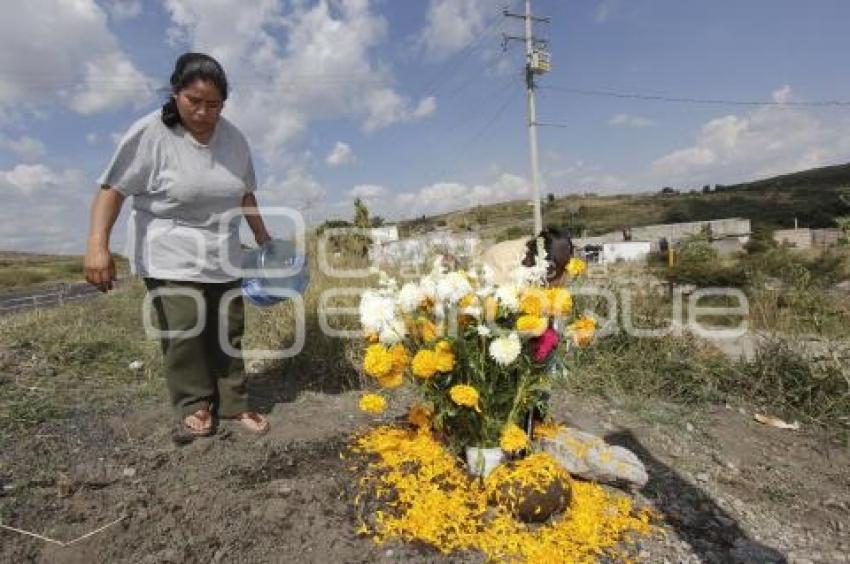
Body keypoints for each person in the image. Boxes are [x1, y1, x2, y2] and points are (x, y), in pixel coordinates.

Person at [85, 52, 272, 437]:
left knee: (227, 327)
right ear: (175, 94)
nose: (204, 112)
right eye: (194, 102)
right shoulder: (149, 133)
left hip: (223, 249)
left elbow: (245, 194)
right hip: (168, 248)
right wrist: (97, 245)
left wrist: (264, 237)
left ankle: (235, 403)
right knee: (185, 328)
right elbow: (112, 190)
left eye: (214, 104)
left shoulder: (234, 139)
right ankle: (196, 403)